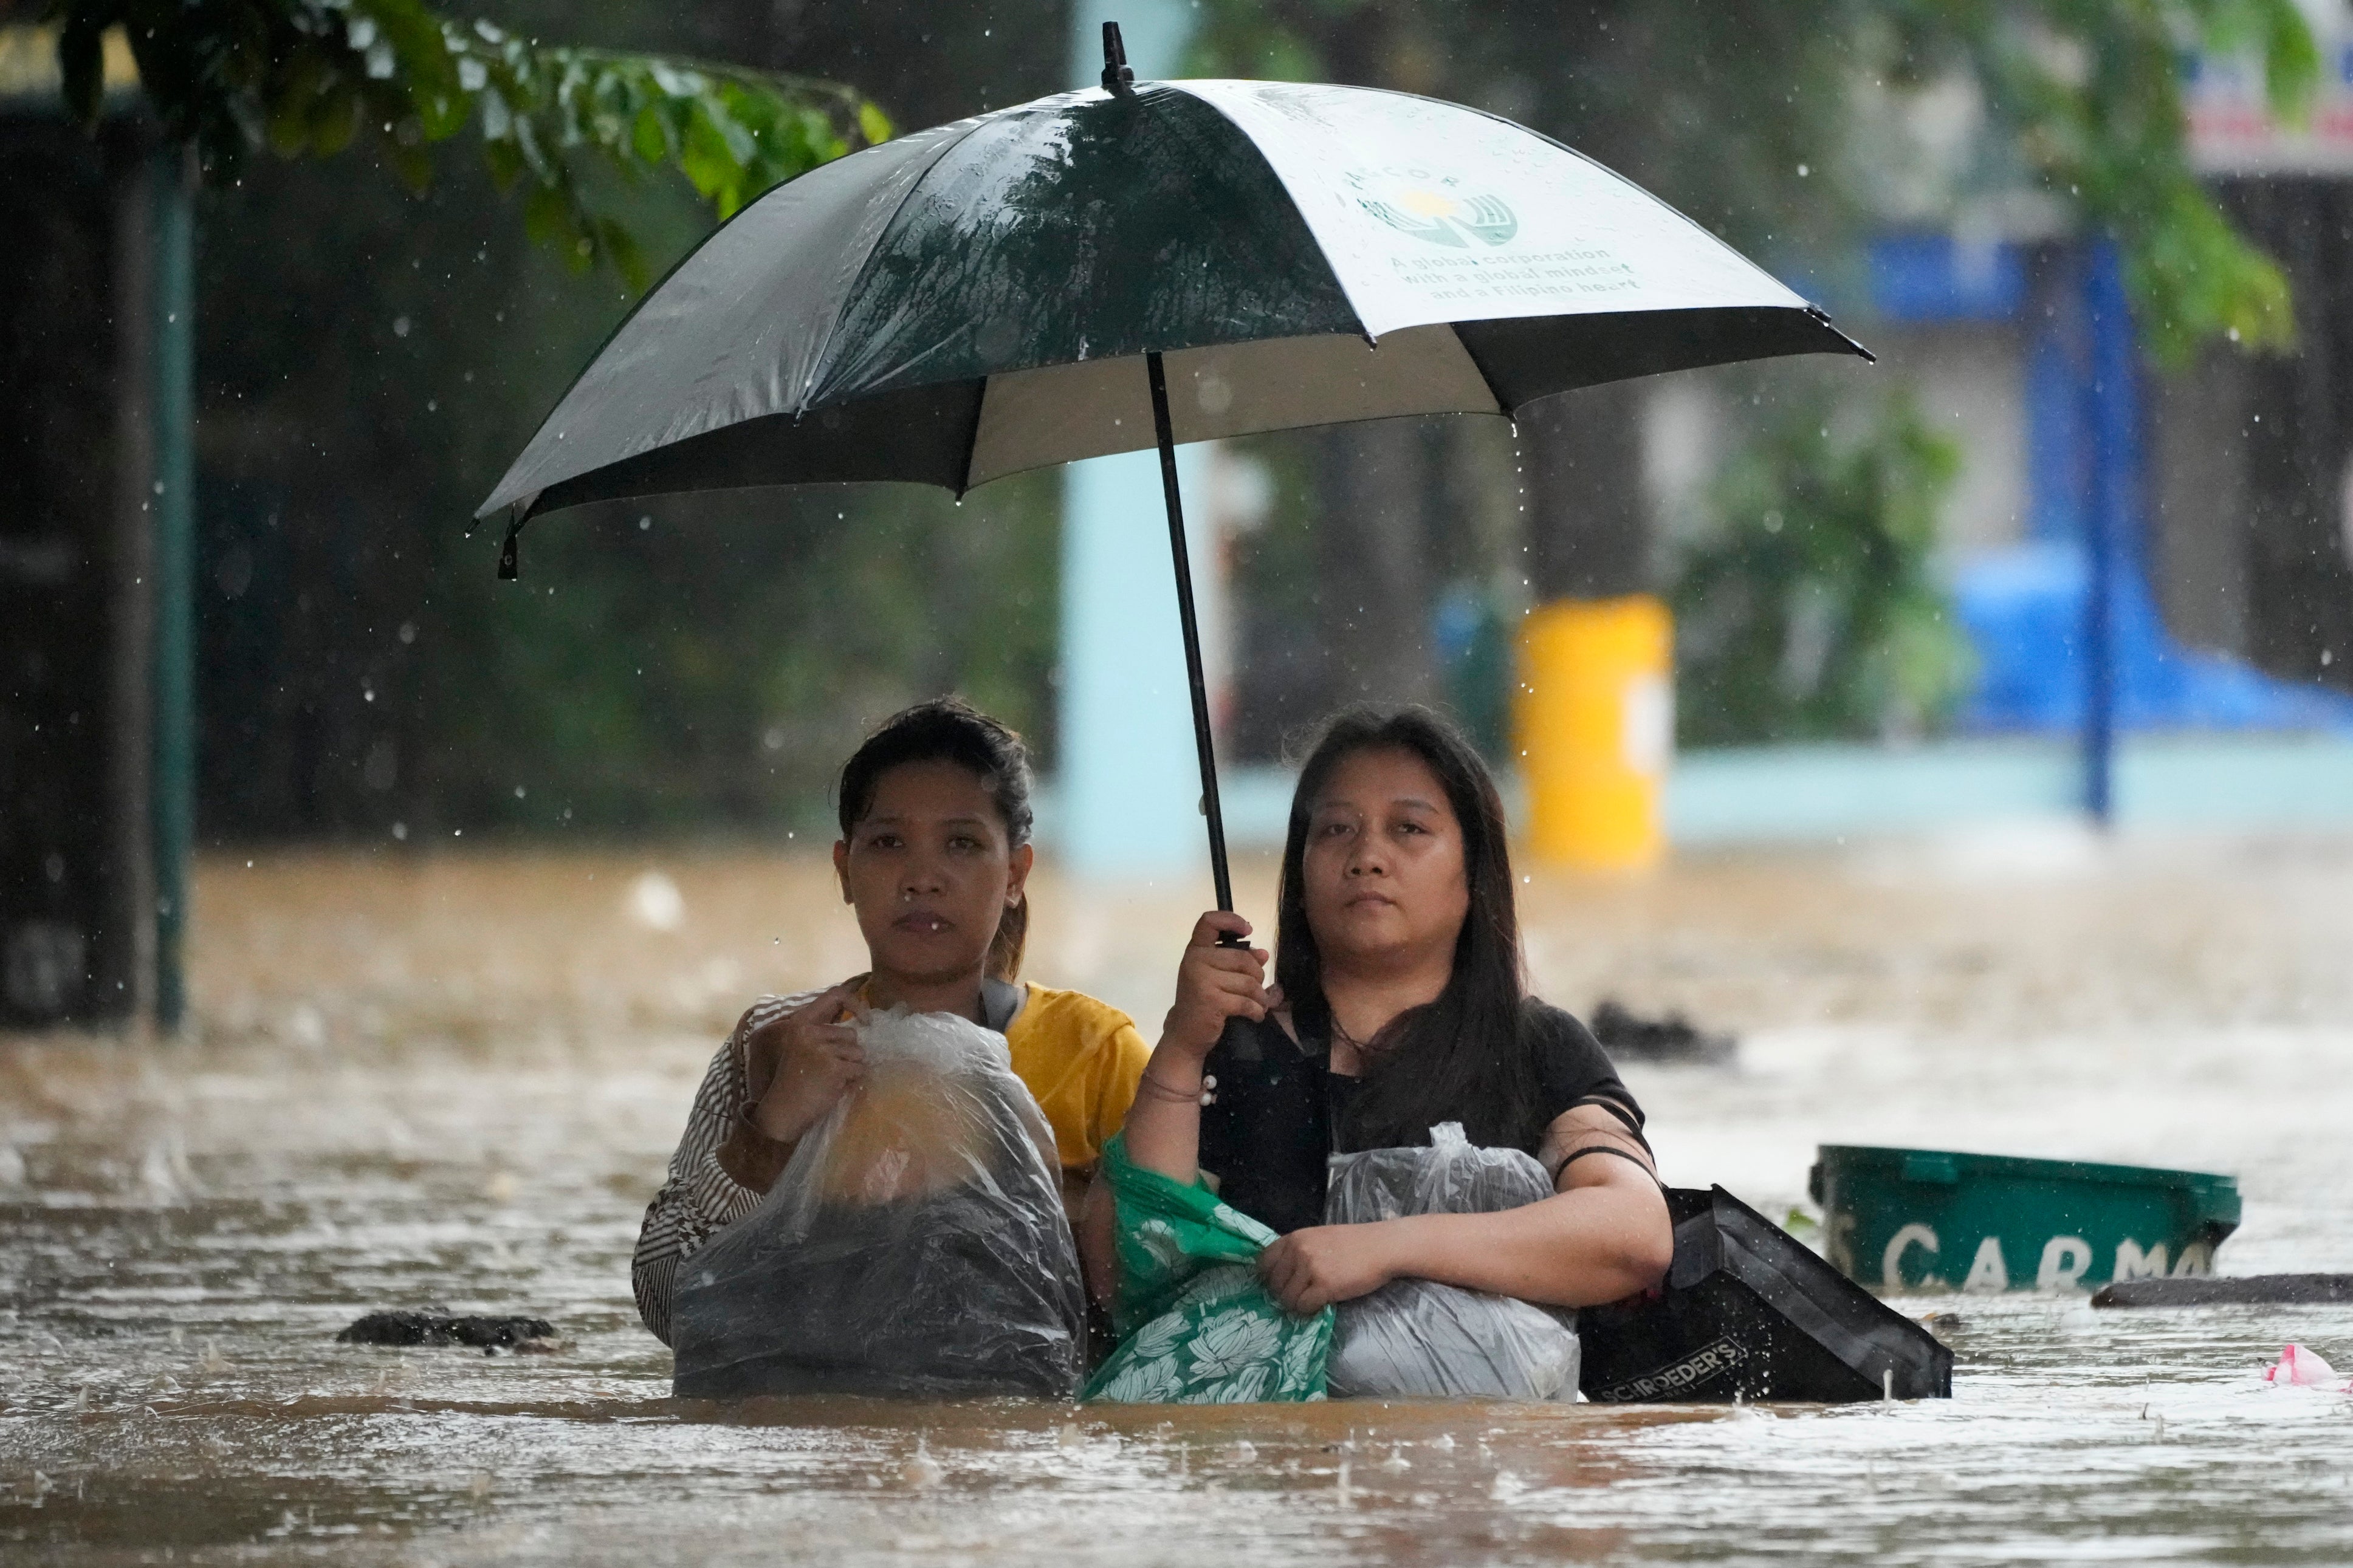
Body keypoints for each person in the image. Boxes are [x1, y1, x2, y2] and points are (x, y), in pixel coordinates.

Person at [1087, 705, 1672, 1325]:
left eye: (1409, 829)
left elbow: (1634, 1232)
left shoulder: (1534, 1047)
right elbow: (1118, 1278)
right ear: (1301, 871)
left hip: (1482, 1423)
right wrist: (1181, 1045)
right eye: (1336, 830)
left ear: (1473, 874)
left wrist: (1385, 1248)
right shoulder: (1234, 1051)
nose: (1366, 855)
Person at [634, 697, 1151, 1347]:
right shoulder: (775, 1043)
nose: (922, 877)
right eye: (887, 843)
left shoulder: (1095, 1051)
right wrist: (771, 1132)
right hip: (815, 1433)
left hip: (1012, 1439)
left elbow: (1168, 1300)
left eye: (961, 844)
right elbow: (665, 1305)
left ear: (1015, 874)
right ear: (844, 870)